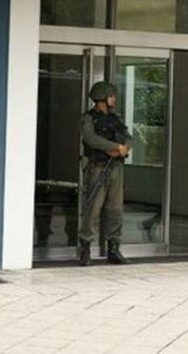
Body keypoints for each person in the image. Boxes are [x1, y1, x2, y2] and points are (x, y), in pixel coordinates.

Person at [78, 81, 131, 266]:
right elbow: (91, 139)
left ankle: (114, 249)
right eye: (111, 96)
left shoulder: (115, 118)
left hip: (115, 168)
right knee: (92, 210)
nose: (114, 99)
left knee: (115, 210)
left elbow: (128, 137)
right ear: (103, 98)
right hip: (97, 167)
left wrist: (123, 148)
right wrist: (115, 147)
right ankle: (85, 248)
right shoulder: (88, 118)